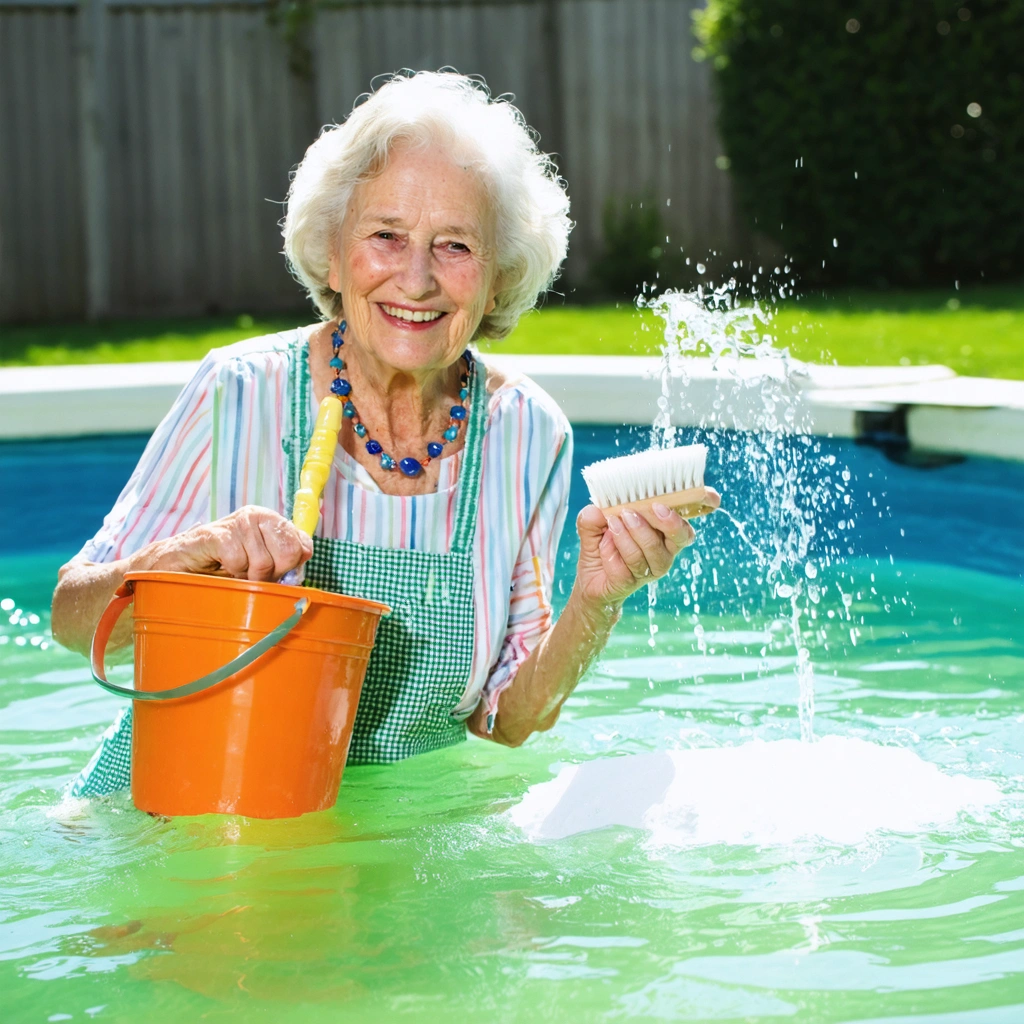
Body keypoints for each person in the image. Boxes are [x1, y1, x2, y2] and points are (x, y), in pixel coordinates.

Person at [52, 71, 717, 795]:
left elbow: (511, 720)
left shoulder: (527, 433)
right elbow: (71, 620)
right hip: (182, 814)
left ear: (497, 278)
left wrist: (598, 599)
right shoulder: (239, 391)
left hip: (381, 839)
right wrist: (184, 560)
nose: (418, 279)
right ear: (334, 256)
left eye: (456, 245)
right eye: (386, 236)